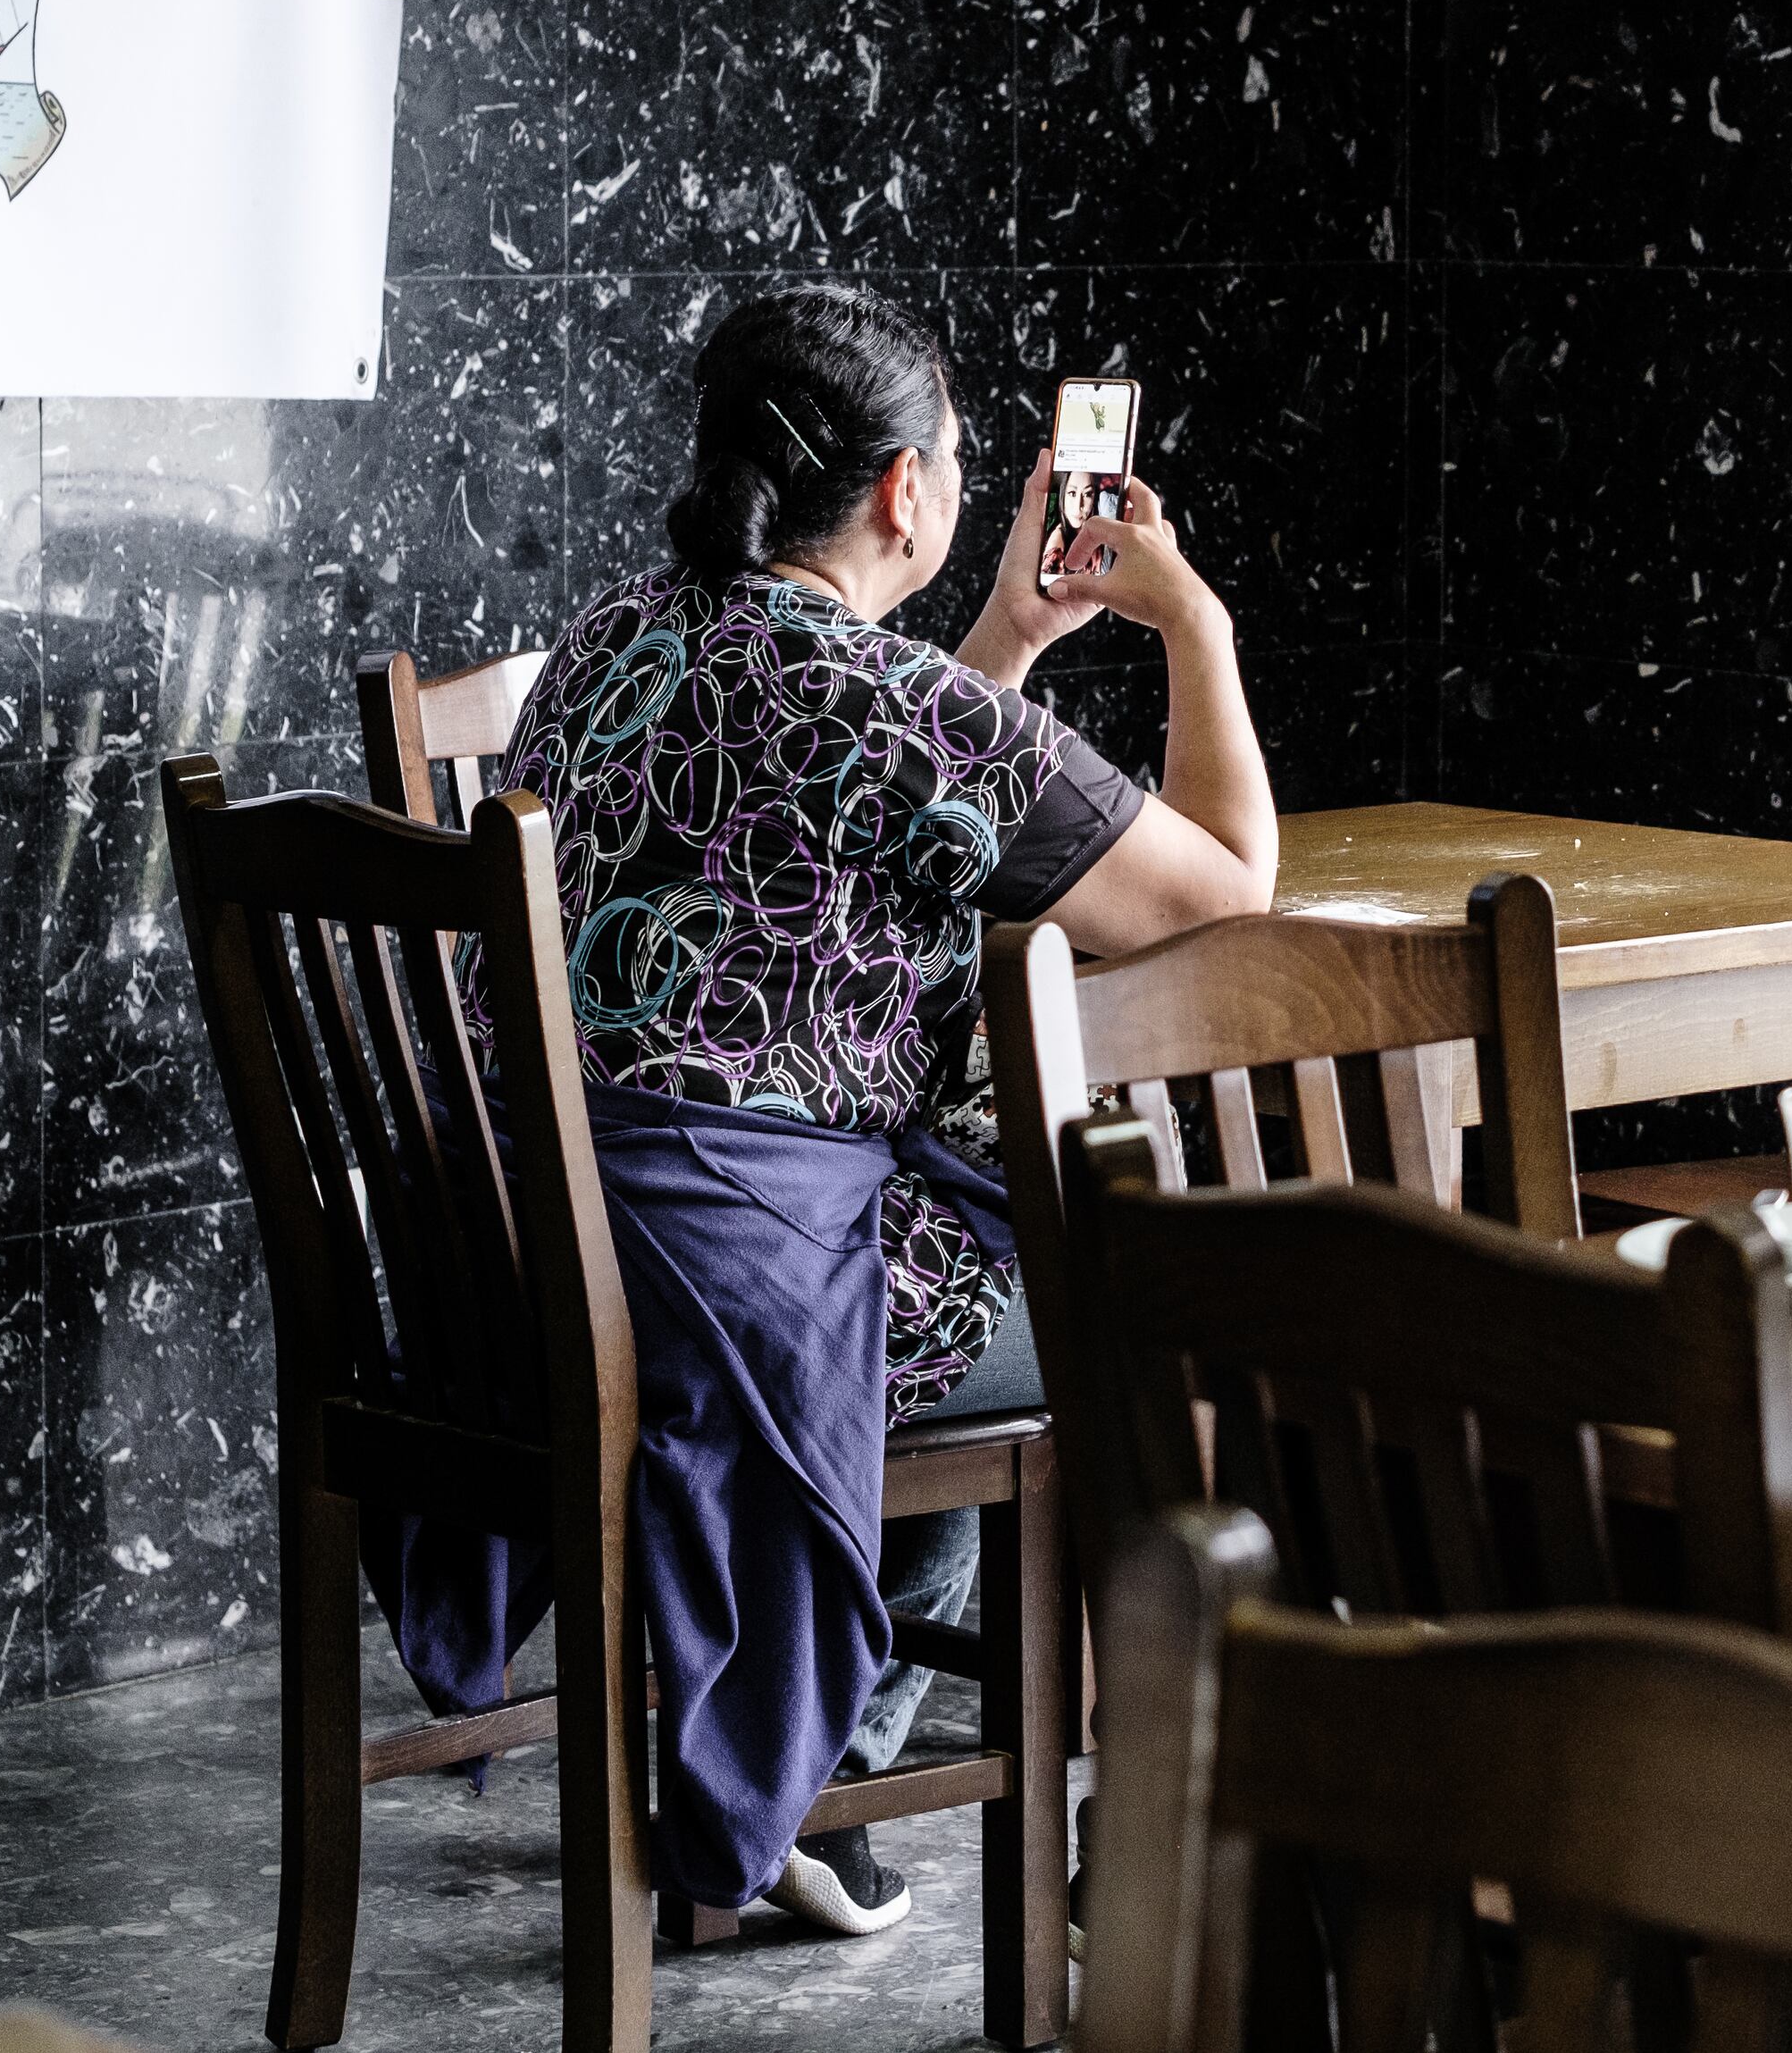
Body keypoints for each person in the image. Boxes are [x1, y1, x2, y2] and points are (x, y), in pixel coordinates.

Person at [394, 282, 1272, 1941]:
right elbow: (1226, 887)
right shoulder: (885, 706)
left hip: (520, 1269)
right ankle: (1132, 1840)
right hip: (721, 1300)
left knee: (927, 1233)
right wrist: (1194, 628)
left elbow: (861, 781)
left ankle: (825, 1764)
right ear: (906, 493)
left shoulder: (608, 641)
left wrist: (1009, 638)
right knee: (1134, 1304)